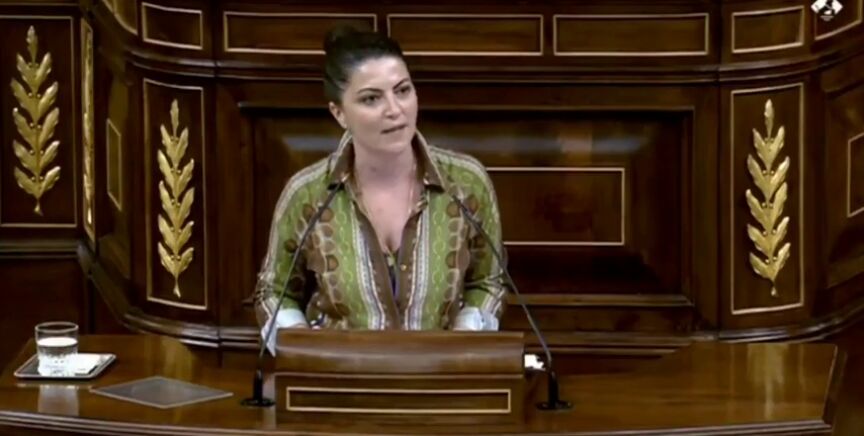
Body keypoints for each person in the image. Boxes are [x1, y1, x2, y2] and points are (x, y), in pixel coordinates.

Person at [254, 26, 505, 337]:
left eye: (402, 91)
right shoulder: (307, 193)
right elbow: (274, 292)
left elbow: (487, 282)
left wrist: (464, 337)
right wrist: (305, 347)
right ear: (339, 113)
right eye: (371, 99)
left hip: (441, 366)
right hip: (340, 366)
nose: (395, 110)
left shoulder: (465, 183)